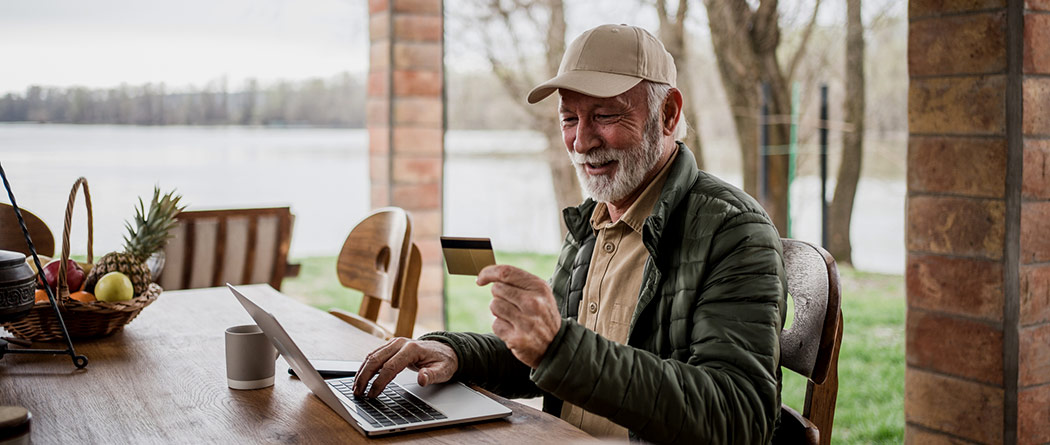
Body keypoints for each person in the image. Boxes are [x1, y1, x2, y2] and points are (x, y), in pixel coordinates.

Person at [353, 24, 786, 444]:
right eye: (569, 119)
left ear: (668, 113)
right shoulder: (593, 220)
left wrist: (560, 346)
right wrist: (456, 353)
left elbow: (739, 418)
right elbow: (545, 356)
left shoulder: (734, 231)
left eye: (604, 115)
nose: (580, 142)